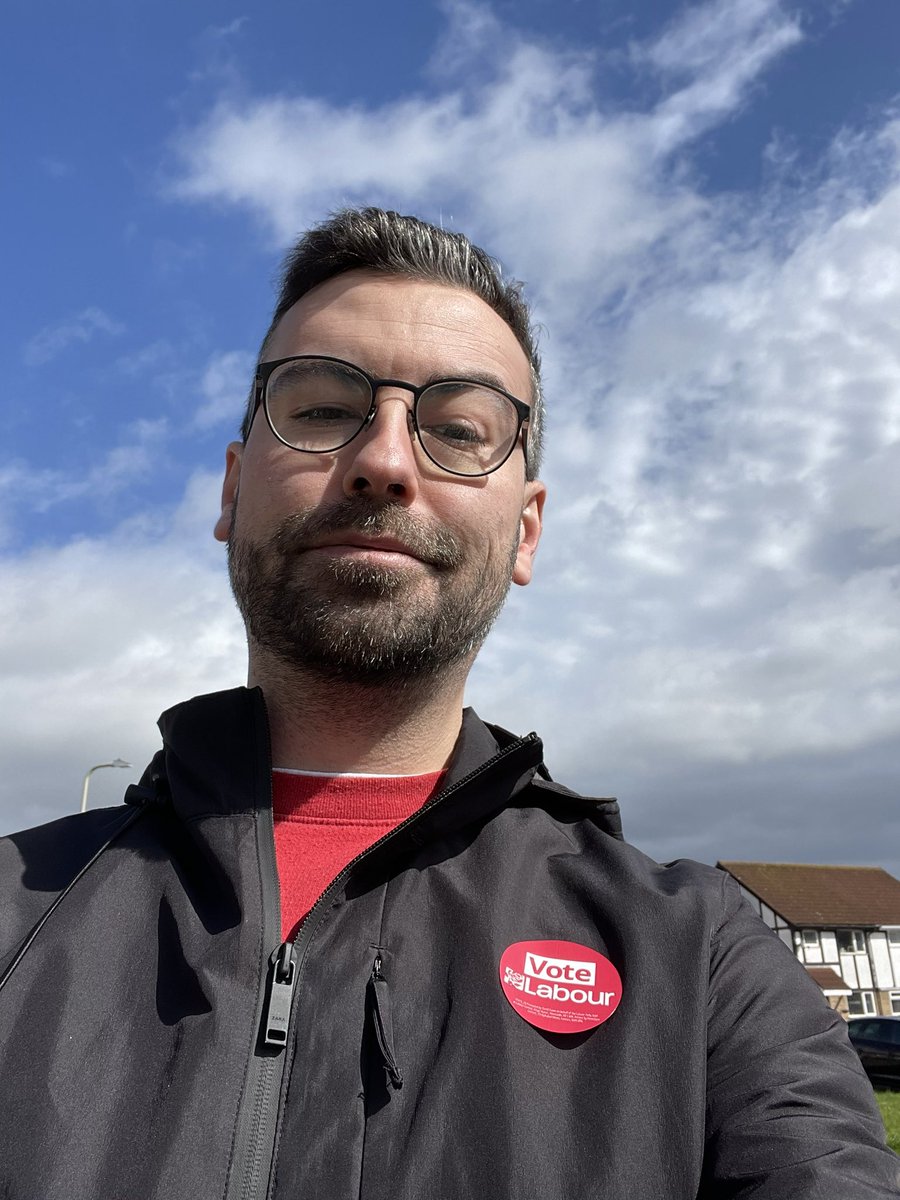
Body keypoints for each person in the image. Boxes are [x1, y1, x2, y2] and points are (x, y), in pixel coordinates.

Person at [0, 208, 896, 1200]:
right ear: (230, 489)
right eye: (323, 407)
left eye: (460, 429)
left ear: (526, 531)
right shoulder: (14, 912)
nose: (385, 459)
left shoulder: (706, 962)